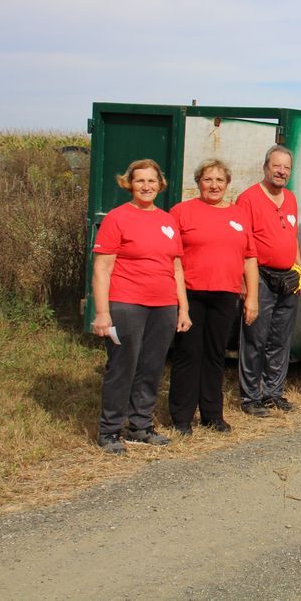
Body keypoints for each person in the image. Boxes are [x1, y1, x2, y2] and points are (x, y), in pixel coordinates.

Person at [91, 159, 191, 454]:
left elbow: (176, 268)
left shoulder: (167, 220)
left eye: (151, 181)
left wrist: (182, 308)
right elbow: (101, 270)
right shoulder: (117, 218)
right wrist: (102, 312)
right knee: (123, 367)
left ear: (160, 184)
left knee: (151, 367)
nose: (146, 186)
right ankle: (110, 431)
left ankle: (140, 427)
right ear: (129, 184)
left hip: (163, 306)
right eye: (140, 181)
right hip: (126, 304)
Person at [167, 159, 259, 435]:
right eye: (208, 180)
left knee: (215, 355)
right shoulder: (181, 212)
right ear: (198, 183)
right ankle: (182, 418)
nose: (214, 185)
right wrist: (180, 300)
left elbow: (250, 259)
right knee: (188, 354)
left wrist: (251, 297)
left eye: (219, 180)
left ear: (228, 183)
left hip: (225, 294)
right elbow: (172, 258)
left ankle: (212, 415)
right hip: (191, 294)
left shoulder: (240, 216)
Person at [236, 146, 301, 417]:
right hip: (260, 276)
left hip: (287, 277)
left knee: (280, 338)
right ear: (266, 167)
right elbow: (243, 244)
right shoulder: (248, 199)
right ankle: (250, 396)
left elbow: (291, 239)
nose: (281, 171)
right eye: (276, 166)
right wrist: (246, 284)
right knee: (255, 337)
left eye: (286, 167)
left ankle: (273, 393)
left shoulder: (290, 198)